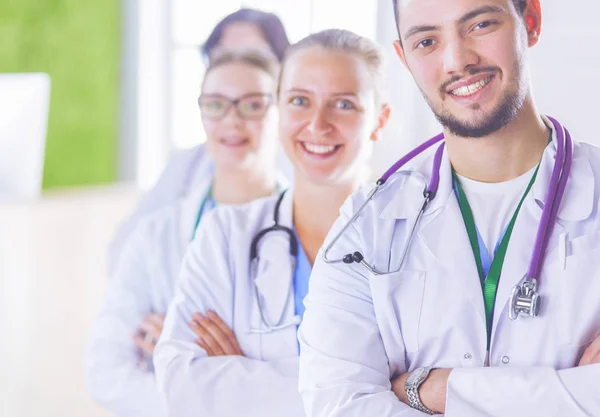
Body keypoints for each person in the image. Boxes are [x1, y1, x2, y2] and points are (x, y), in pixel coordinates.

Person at [298, 0, 600, 416]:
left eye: (479, 24)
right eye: (426, 41)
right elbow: (337, 404)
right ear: (404, 59)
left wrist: (435, 390)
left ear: (530, 21)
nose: (457, 60)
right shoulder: (365, 226)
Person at [153, 29, 391, 417]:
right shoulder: (225, 236)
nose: (317, 124)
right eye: (299, 101)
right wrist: (367, 389)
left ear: (379, 121)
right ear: (279, 109)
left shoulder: (415, 242)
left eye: (343, 104)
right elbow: (183, 387)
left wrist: (241, 379)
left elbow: (427, 393)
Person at [86, 50, 283, 417]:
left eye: (253, 105)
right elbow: (105, 370)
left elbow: (320, 377)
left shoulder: (309, 228)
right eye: (215, 104)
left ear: (281, 110)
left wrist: (181, 363)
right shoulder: (154, 236)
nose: (231, 120)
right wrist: (226, 387)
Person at [108, 8, 291, 273]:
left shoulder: (302, 164)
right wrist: (154, 312)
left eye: (254, 54)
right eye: (221, 53)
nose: (236, 62)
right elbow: (125, 253)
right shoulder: (189, 165)